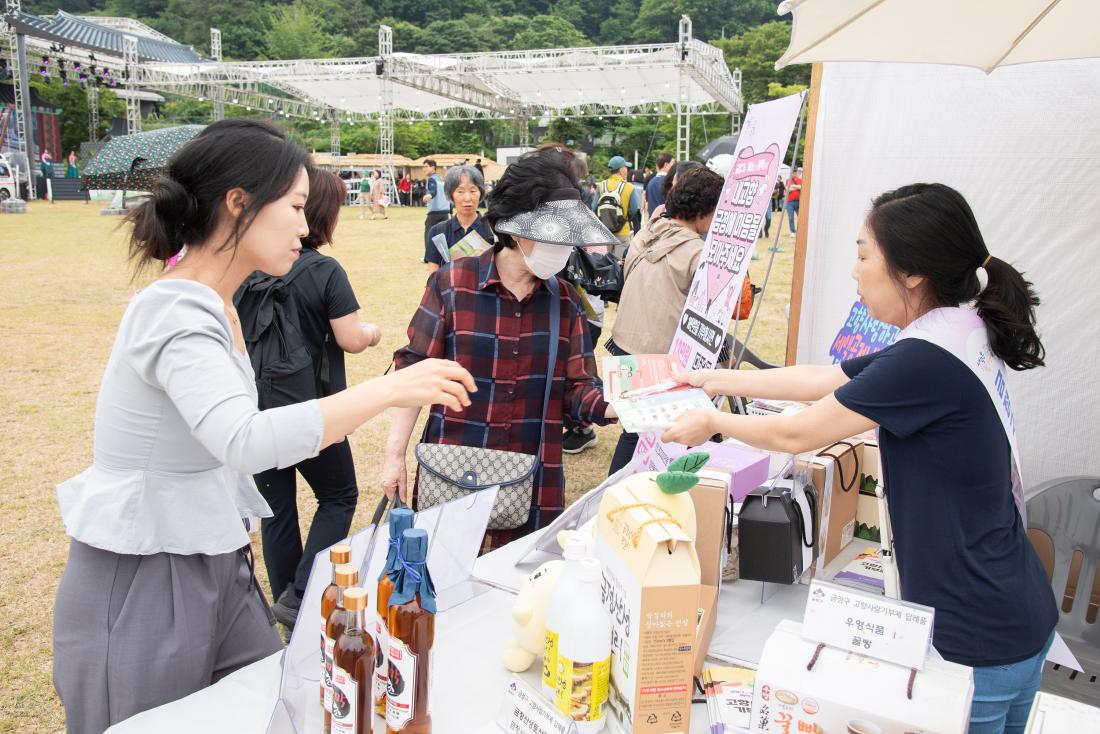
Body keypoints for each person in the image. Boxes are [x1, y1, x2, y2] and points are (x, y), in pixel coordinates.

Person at [51, 119, 475, 734]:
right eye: (297, 206)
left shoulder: (217, 302)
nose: (307, 226)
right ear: (238, 204)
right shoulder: (175, 308)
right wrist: (389, 388)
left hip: (216, 558)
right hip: (146, 570)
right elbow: (244, 438)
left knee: (275, 707)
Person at [662, 183, 1057, 734]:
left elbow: (798, 434)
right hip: (1011, 607)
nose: (855, 271)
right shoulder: (957, 329)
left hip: (976, 635)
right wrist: (710, 378)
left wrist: (713, 422)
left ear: (913, 272)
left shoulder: (925, 359)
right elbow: (825, 378)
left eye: (864, 254)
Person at [381, 148, 619, 553]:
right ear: (517, 226)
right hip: (453, 475)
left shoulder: (564, 301)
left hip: (534, 479)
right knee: (445, 587)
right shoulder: (451, 284)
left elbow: (579, 389)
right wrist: (393, 455)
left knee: (521, 593)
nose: (563, 249)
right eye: (554, 234)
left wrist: (626, 405)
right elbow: (414, 373)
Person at [238, 168, 383, 628]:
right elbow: (350, 339)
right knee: (339, 494)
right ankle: (302, 593)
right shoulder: (324, 270)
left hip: (257, 406)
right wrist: (372, 333)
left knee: (276, 506)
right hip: (315, 409)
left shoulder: (248, 266)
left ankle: (286, 597)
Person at [605, 166, 725, 474]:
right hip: (660, 355)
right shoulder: (698, 252)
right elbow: (707, 315)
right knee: (644, 433)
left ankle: (618, 490)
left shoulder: (648, 232)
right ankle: (617, 493)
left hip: (625, 344)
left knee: (637, 429)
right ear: (703, 212)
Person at [423, 164, 493, 273]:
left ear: (481, 193)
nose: (467, 198)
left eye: (473, 191)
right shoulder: (438, 232)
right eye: (460, 191)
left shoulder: (493, 231)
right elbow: (433, 278)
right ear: (451, 195)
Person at [595, 155, 642, 257]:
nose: (627, 170)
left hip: (606, 231)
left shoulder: (601, 185)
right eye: (626, 168)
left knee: (607, 262)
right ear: (621, 170)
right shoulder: (629, 187)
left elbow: (594, 206)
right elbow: (634, 210)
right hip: (622, 230)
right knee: (619, 263)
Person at [422, 159, 449, 253]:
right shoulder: (441, 179)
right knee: (443, 234)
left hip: (435, 211)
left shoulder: (432, 179)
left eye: (426, 166)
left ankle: (428, 256)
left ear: (433, 167)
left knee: (429, 233)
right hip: (445, 211)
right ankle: (444, 255)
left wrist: (429, 195)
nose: (423, 169)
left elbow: (433, 190)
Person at [645, 152, 674, 216]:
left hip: (653, 222)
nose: (674, 167)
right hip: (666, 222)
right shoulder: (670, 182)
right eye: (673, 164)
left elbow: (647, 203)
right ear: (666, 165)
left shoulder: (651, 182)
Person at [786, 166, 802, 233]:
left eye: (795, 171)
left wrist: (793, 186)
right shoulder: (788, 180)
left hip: (798, 201)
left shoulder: (800, 180)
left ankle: (800, 230)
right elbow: (788, 189)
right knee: (791, 217)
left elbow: (801, 187)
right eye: (793, 172)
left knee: (800, 217)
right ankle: (793, 231)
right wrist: (797, 187)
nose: (794, 173)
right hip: (790, 202)